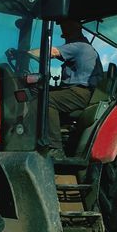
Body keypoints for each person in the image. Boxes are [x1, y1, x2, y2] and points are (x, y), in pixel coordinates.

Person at [32, 20, 103, 153]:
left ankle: (54, 147)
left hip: (79, 92)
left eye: (66, 33)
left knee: (44, 100)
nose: (65, 39)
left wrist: (26, 54)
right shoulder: (85, 46)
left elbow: (51, 52)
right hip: (77, 90)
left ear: (74, 30)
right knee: (36, 91)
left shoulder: (79, 46)